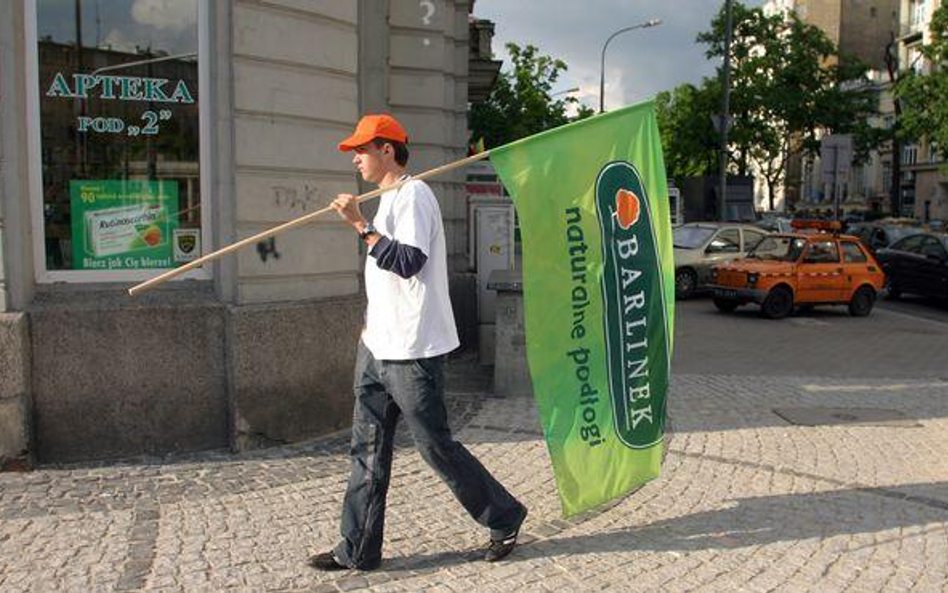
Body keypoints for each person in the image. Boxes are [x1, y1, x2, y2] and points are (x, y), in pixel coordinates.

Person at [309, 114, 528, 572]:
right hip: (376, 348)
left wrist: (359, 226)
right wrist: (371, 325)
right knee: (366, 451)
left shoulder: (415, 195)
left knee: (435, 446)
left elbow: (407, 262)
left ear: (387, 149)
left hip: (414, 352)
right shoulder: (384, 197)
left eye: (362, 150)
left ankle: (504, 516)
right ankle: (358, 549)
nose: (355, 159)